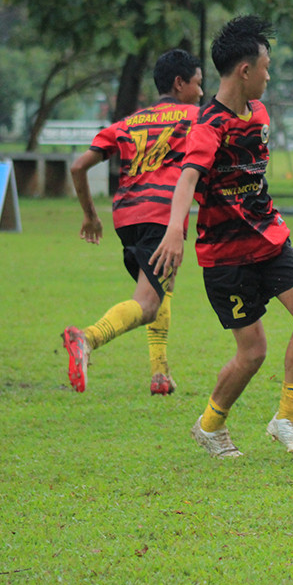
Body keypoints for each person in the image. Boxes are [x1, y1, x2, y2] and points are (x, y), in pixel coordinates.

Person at [150, 15, 293, 460]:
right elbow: (187, 180)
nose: (270, 75)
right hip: (226, 257)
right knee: (252, 354)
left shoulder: (260, 113)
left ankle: (286, 417)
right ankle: (210, 425)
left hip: (271, 240)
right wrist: (174, 231)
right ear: (245, 71)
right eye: (266, 67)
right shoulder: (210, 125)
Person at [62, 48, 203, 396]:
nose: (201, 92)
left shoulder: (128, 122)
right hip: (162, 215)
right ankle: (87, 339)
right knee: (148, 301)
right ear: (180, 83)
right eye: (198, 84)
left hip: (127, 217)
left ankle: (159, 373)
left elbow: (78, 166)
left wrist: (90, 215)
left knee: (158, 286)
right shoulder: (195, 117)